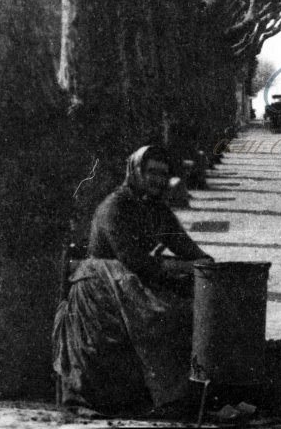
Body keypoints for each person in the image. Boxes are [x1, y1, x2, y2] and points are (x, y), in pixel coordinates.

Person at [53, 145, 213, 417]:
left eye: (163, 174)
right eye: (151, 172)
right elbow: (134, 260)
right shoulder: (114, 206)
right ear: (135, 171)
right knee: (162, 315)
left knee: (190, 305)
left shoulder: (157, 208)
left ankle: (181, 395)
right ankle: (165, 397)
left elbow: (185, 246)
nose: (158, 180)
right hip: (98, 289)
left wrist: (206, 264)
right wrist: (185, 266)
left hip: (128, 282)